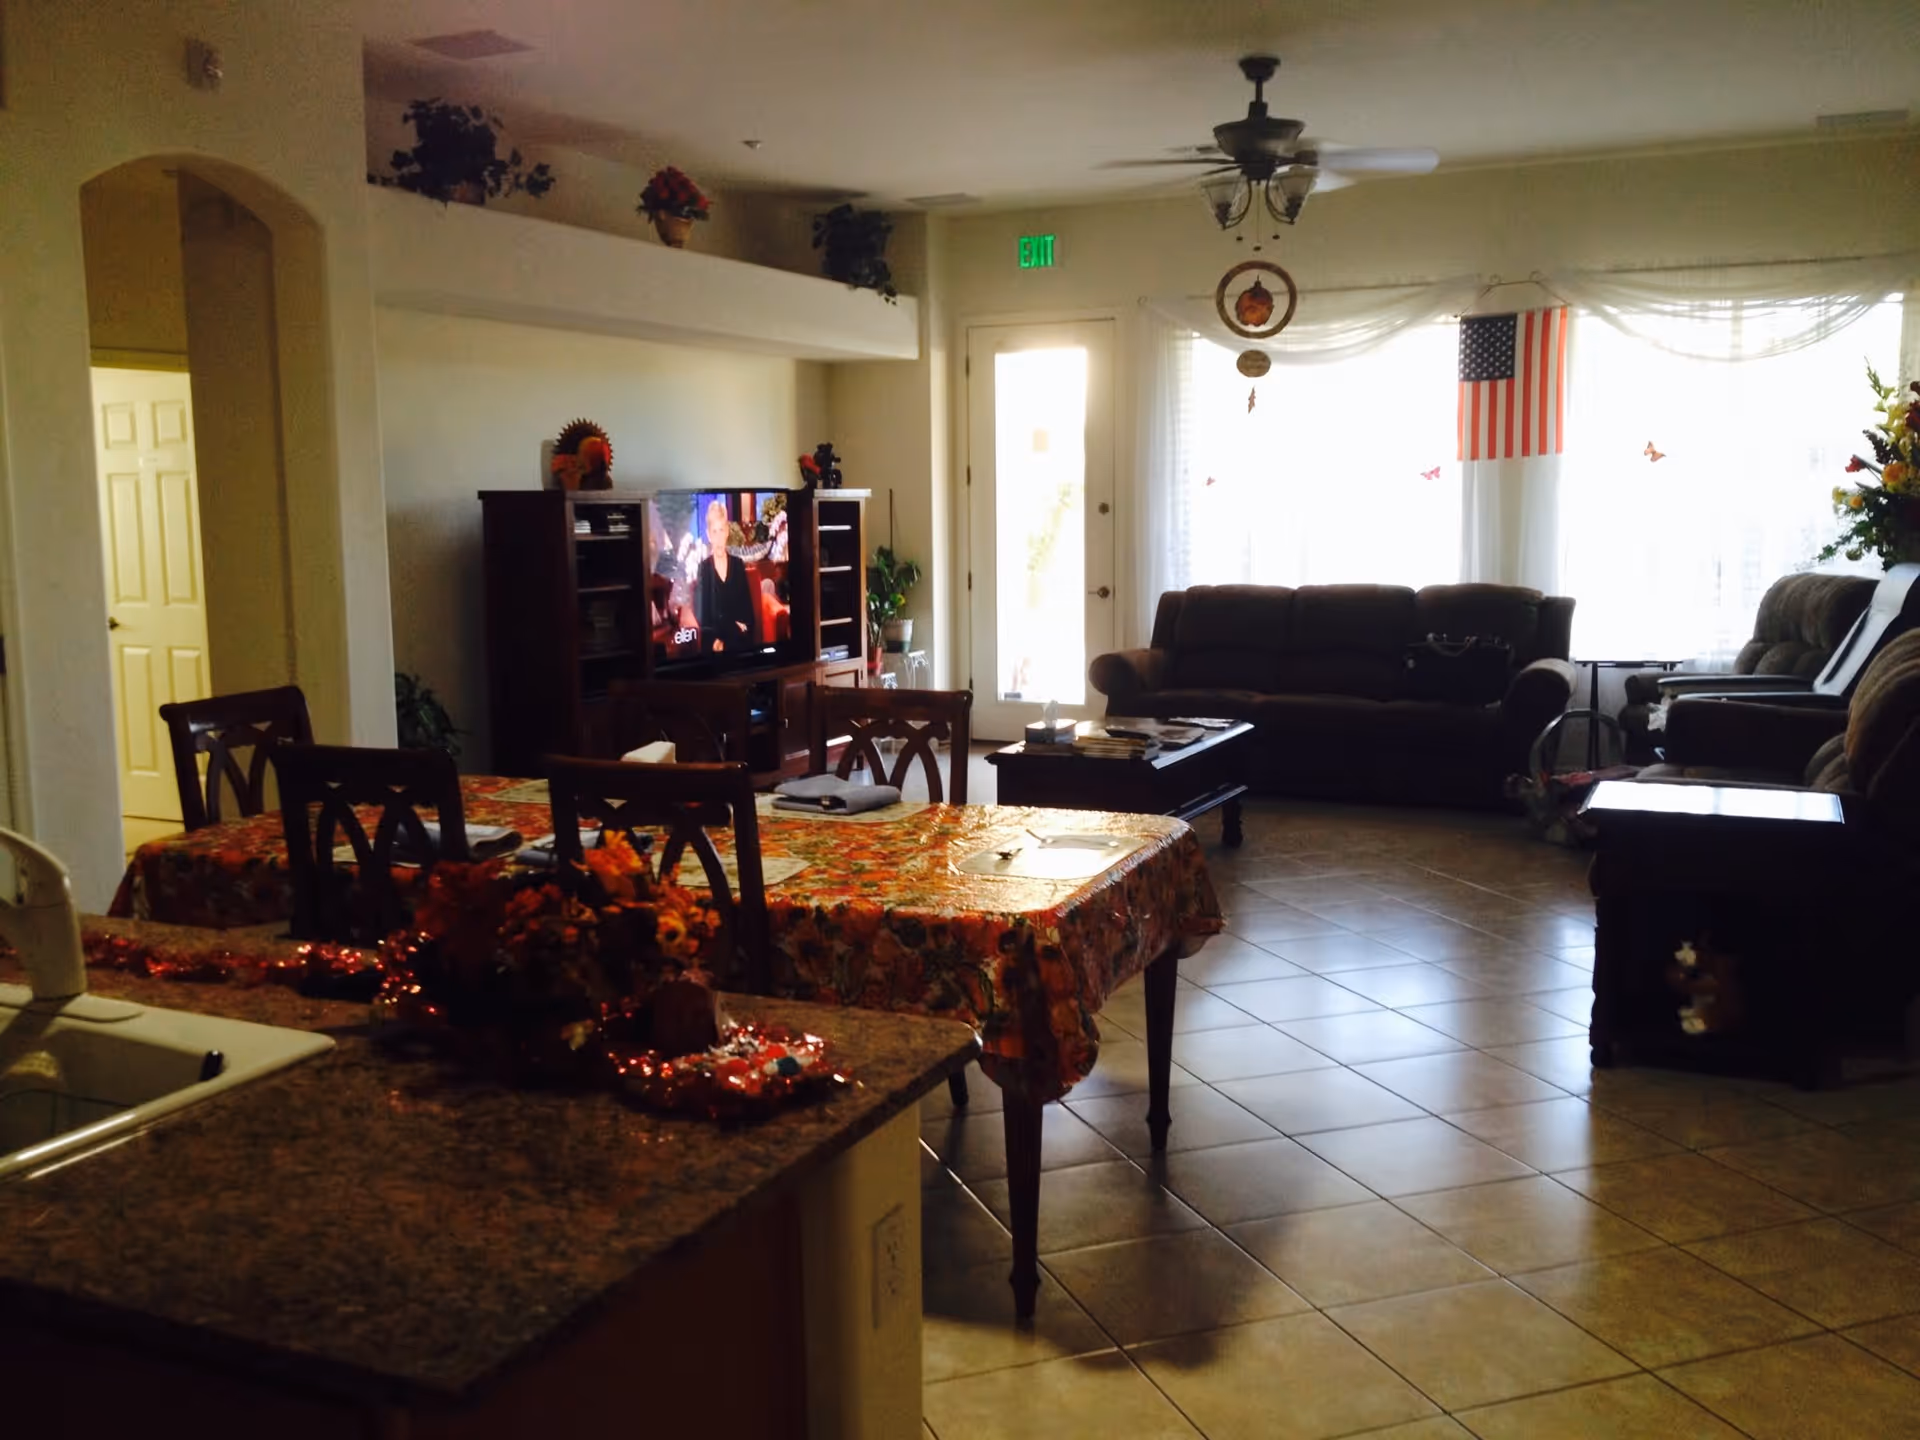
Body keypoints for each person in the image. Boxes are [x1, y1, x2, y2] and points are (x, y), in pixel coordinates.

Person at [694, 497, 760, 655]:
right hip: (714, 645)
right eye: (714, 531)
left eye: (721, 530)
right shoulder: (703, 569)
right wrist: (730, 626)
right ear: (709, 535)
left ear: (727, 532)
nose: (718, 537)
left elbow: (748, 616)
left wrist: (726, 632)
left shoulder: (738, 565)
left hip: (739, 644)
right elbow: (703, 619)